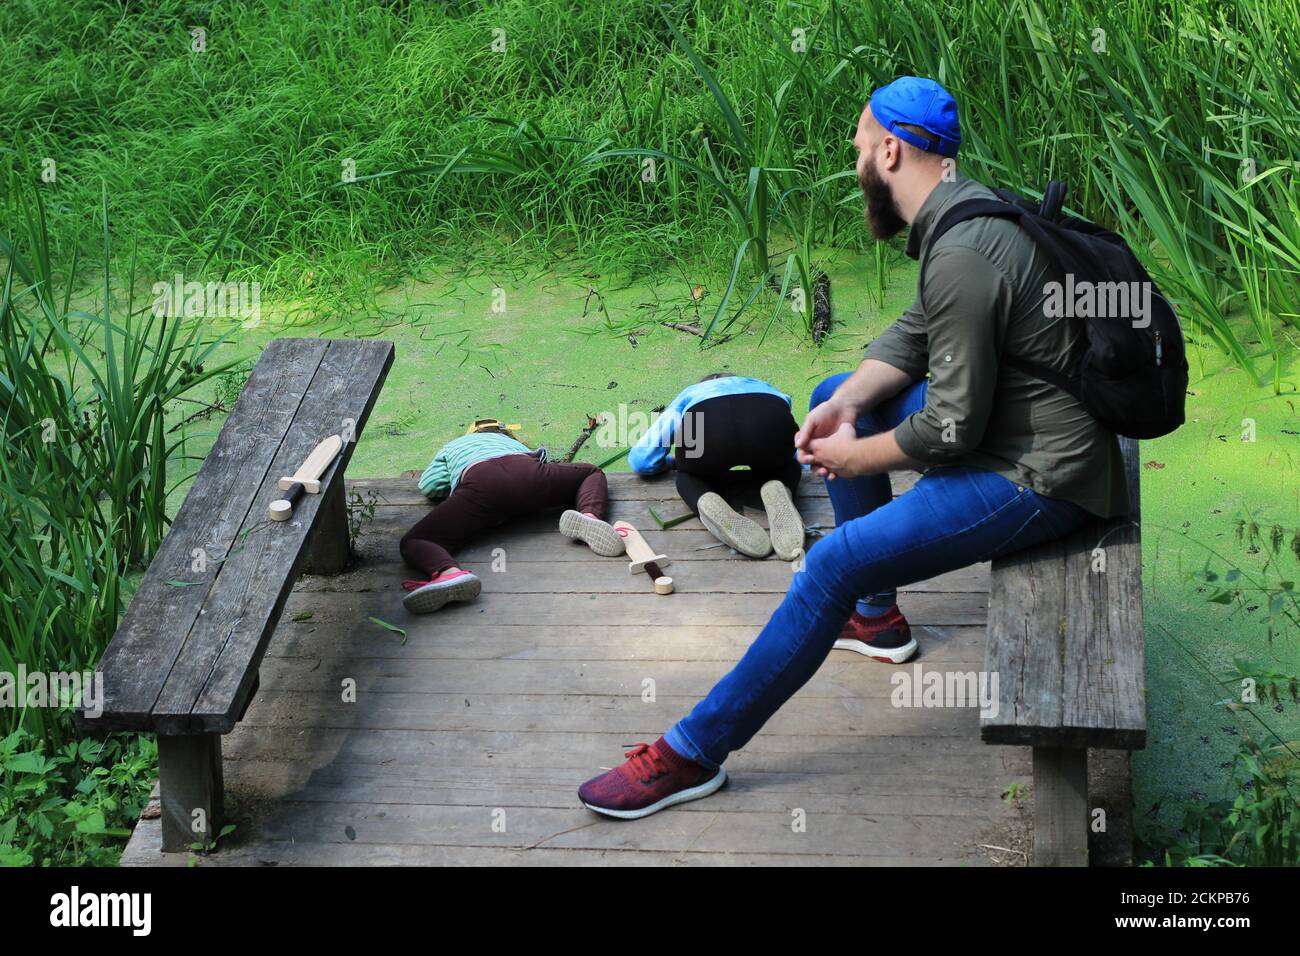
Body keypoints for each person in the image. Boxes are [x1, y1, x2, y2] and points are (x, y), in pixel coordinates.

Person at [576, 76, 1131, 819]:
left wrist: (849, 458)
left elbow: (951, 432)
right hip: (1023, 427)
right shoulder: (968, 212)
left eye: (861, 148)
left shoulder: (965, 250)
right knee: (837, 391)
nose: (858, 162)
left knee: (832, 559)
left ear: (892, 150)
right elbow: (914, 333)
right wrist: (841, 405)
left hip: (1041, 475)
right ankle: (874, 617)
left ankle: (691, 753)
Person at [400, 419, 623, 613]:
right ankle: (590, 517)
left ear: (470, 434)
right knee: (590, 472)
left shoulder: (453, 446)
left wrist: (455, 493)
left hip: (481, 487)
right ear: (505, 433)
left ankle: (449, 573)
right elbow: (542, 463)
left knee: (416, 540)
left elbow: (429, 486)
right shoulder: (514, 444)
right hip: (526, 472)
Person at [628, 374, 806, 561]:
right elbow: (800, 450)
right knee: (787, 466)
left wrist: (671, 463)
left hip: (710, 438)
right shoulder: (768, 388)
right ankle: (779, 487)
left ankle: (703, 498)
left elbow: (641, 460)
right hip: (766, 428)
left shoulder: (691, 393)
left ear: (706, 383)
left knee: (688, 477)